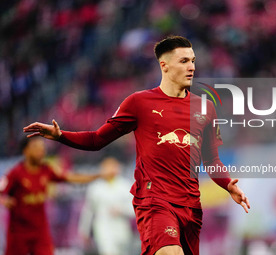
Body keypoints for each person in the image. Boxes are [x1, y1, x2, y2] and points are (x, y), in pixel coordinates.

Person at [23, 35, 250, 255]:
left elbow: (212, 160)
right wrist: (61, 135)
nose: (191, 67)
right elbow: (97, 140)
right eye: (184, 61)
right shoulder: (139, 103)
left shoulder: (205, 108)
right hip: (155, 200)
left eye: (193, 61)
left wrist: (228, 184)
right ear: (165, 65)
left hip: (190, 205)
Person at [0, 136, 109, 255]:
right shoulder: (15, 173)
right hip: (19, 233)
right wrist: (3, 200)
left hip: (40, 232)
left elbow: (71, 177)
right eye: (36, 147)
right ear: (25, 151)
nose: (41, 150)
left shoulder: (46, 170)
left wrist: (98, 175)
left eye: (42, 147)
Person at [78, 157, 134, 255]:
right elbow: (88, 211)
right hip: (102, 226)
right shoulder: (95, 188)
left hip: (121, 228)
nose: (110, 170)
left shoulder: (125, 186)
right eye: (106, 168)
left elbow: (135, 209)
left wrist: (122, 210)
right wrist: (84, 230)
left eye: (113, 167)